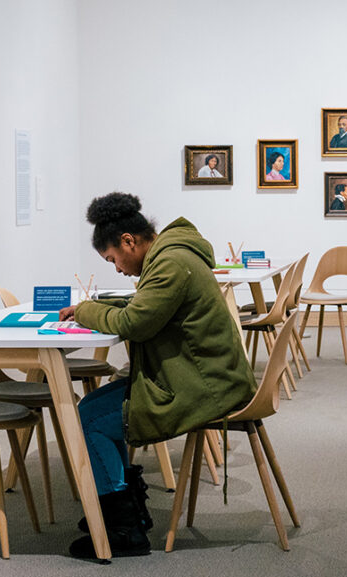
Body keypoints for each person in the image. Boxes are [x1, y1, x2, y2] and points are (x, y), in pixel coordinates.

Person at [58, 192, 256, 558]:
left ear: (129, 242)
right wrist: (97, 306)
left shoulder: (169, 264)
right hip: (205, 375)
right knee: (95, 406)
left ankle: (124, 528)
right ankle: (126, 511)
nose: (116, 268)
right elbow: (143, 305)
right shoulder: (173, 255)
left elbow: (135, 322)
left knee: (89, 417)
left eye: (113, 258)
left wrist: (87, 312)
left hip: (203, 385)